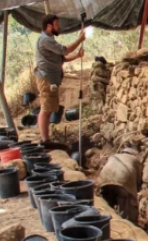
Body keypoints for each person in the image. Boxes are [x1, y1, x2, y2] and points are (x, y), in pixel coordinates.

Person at [35, 14, 86, 149]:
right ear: (49, 26)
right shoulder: (45, 40)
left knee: (49, 106)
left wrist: (77, 55)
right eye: (57, 24)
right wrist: (79, 39)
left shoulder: (49, 40)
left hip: (51, 79)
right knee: (46, 108)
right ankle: (45, 140)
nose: (59, 27)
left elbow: (61, 58)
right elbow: (65, 50)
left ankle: (46, 139)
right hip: (46, 78)